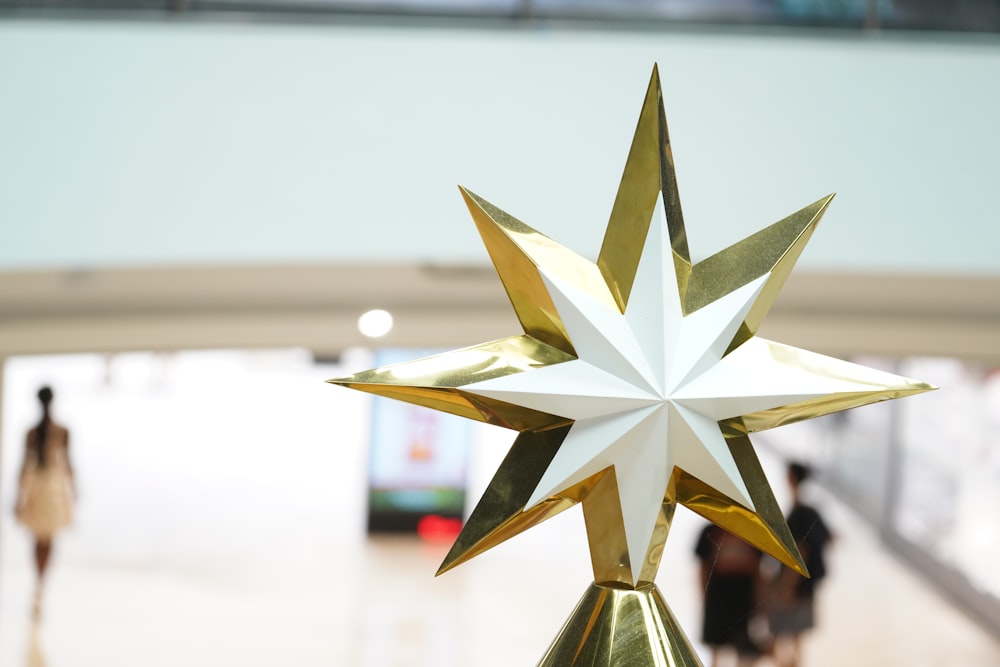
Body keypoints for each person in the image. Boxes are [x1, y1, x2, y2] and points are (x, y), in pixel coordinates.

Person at [15, 386, 76, 618]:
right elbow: (26, 464)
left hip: (46, 489)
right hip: (45, 490)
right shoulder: (38, 432)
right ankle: (39, 585)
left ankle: (39, 586)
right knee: (43, 540)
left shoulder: (57, 430)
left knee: (43, 540)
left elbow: (68, 462)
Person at [767, 462, 832, 667]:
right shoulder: (810, 511)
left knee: (782, 638)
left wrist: (787, 585)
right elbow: (829, 538)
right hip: (804, 585)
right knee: (795, 640)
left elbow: (801, 550)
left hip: (794, 584)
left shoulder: (799, 513)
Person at [695, 523, 765, 667]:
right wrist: (704, 595)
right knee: (716, 649)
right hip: (717, 600)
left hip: (744, 601)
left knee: (745, 650)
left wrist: (760, 600)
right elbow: (702, 568)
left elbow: (758, 569)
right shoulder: (710, 531)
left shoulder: (752, 531)